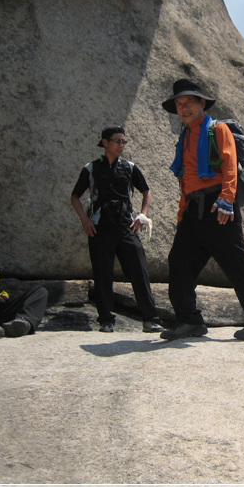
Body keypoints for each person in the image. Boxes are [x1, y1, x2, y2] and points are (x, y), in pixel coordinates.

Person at [160, 78, 244, 341]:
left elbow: (230, 165)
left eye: (189, 102)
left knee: (236, 263)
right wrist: (182, 211)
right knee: (179, 262)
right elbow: (185, 177)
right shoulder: (185, 135)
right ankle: (189, 320)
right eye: (179, 104)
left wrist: (226, 199)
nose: (184, 107)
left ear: (202, 103)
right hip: (193, 209)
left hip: (218, 205)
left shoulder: (217, 129)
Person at [71, 126, 163, 334]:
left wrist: (143, 215)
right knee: (102, 273)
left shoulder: (130, 167)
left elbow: (146, 190)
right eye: (117, 141)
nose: (121, 145)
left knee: (139, 270)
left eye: (124, 141)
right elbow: (75, 196)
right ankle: (106, 319)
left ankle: (151, 318)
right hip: (100, 228)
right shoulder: (91, 168)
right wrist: (85, 220)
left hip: (126, 226)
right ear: (105, 142)